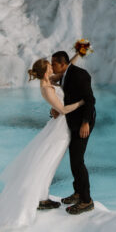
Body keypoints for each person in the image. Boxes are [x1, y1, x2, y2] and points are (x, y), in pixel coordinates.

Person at [0, 58, 85, 232]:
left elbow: (66, 70)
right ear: (45, 71)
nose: (53, 67)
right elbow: (63, 110)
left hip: (59, 127)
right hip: (60, 130)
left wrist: (77, 54)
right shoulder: (46, 87)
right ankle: (38, 198)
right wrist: (81, 103)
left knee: (49, 163)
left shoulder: (49, 81)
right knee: (46, 162)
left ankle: (43, 196)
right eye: (50, 66)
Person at [50, 49, 96, 215]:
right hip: (73, 120)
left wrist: (85, 123)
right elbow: (67, 97)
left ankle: (86, 200)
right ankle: (78, 192)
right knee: (74, 160)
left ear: (63, 64)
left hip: (83, 122)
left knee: (78, 161)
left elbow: (90, 100)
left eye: (54, 63)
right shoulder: (65, 74)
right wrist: (57, 110)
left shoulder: (79, 74)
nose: (52, 66)